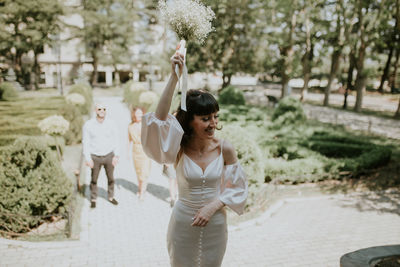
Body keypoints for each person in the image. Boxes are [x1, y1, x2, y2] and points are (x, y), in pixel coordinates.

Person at [141, 50, 248, 266]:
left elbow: (237, 187)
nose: (213, 123)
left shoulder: (224, 148)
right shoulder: (178, 147)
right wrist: (174, 77)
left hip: (215, 224)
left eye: (215, 117)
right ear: (190, 120)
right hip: (183, 223)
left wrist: (212, 206)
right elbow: (158, 122)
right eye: (205, 118)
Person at [82, 103, 120, 208]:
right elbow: (86, 142)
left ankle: (111, 197)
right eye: (99, 109)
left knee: (111, 178)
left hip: (109, 155)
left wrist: (116, 155)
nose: (102, 111)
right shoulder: (88, 125)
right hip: (95, 157)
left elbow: (116, 140)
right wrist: (88, 158)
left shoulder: (111, 123)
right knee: (94, 179)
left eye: (104, 109)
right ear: (95, 111)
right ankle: (93, 198)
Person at [128, 107, 151, 201]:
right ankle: (140, 188)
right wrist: (127, 152)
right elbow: (128, 140)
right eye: (137, 113)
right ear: (134, 114)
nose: (139, 115)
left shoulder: (147, 125)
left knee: (144, 172)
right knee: (138, 172)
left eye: (141, 113)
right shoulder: (130, 126)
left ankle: (142, 192)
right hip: (135, 151)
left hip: (145, 151)